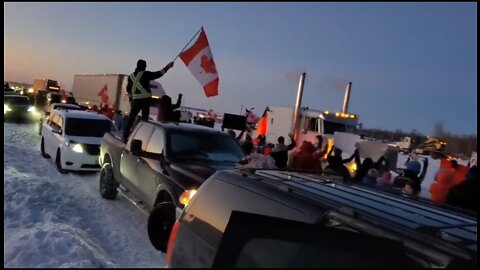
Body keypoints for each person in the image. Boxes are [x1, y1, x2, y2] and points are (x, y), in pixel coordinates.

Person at [122, 59, 174, 141]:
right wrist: (167, 67)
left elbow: (128, 89)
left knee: (131, 119)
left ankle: (125, 137)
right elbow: (158, 74)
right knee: (144, 120)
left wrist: (131, 100)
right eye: (145, 66)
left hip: (135, 101)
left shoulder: (131, 76)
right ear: (144, 66)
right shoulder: (145, 74)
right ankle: (142, 137)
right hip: (145, 101)